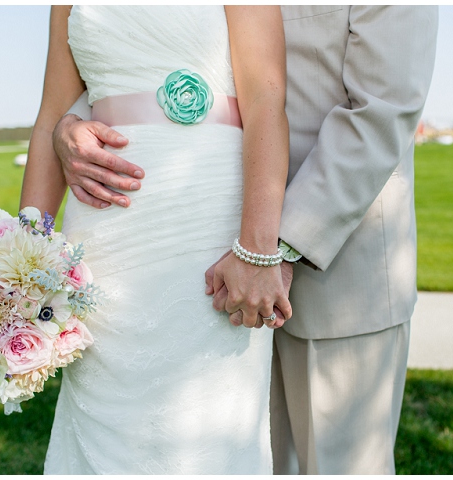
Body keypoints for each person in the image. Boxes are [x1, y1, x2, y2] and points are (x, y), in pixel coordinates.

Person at [50, 6, 439, 474]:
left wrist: (270, 247)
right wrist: (66, 126)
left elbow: (381, 113)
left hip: (334, 264)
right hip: (205, 258)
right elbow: (130, 58)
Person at [20, 5, 292, 473]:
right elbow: (51, 116)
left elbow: (266, 101)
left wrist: (257, 250)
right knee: (101, 410)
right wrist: (20, 258)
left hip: (206, 219)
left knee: (207, 419)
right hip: (102, 225)